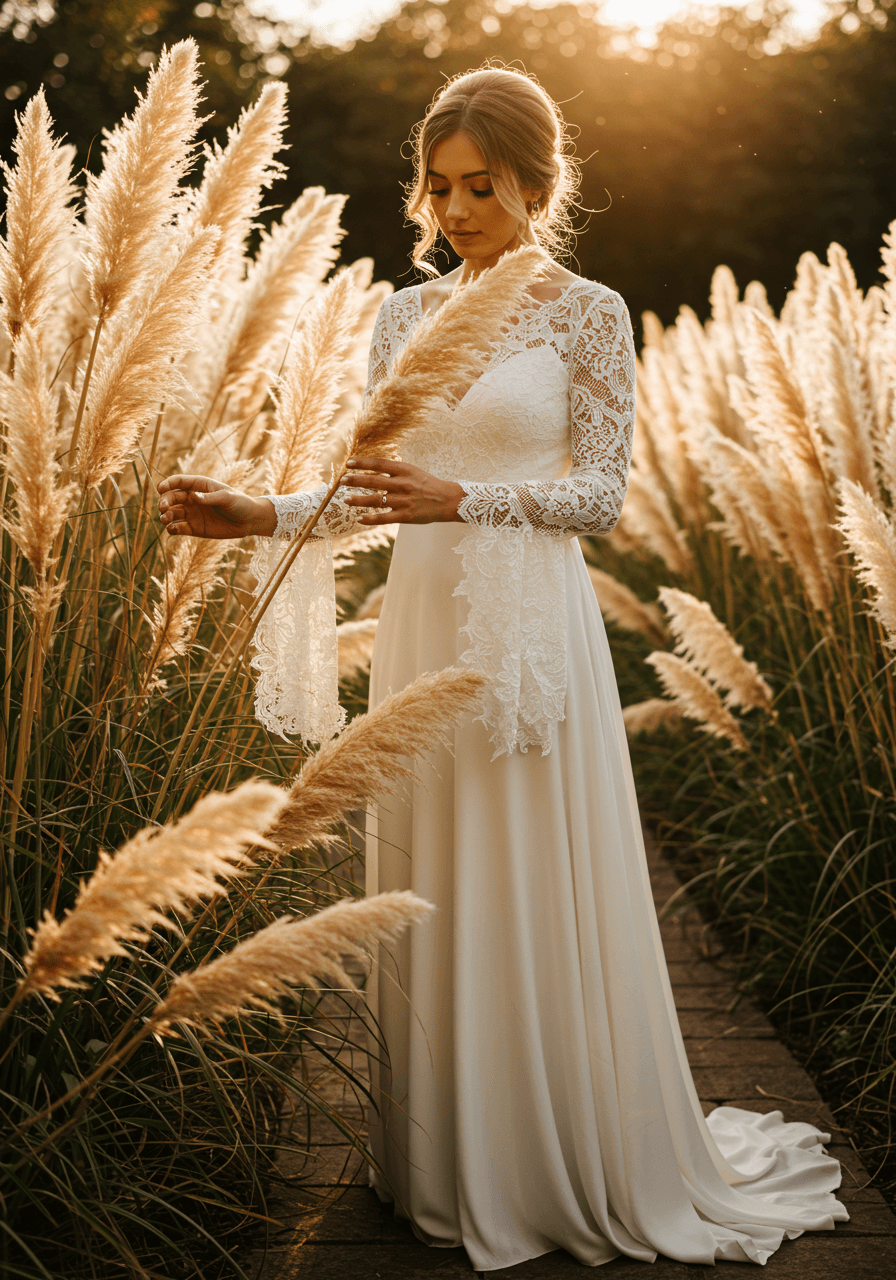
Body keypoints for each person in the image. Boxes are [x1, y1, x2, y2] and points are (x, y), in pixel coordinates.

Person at [158, 65, 846, 1273]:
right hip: (424, 621)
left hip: (531, 630)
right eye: (438, 186)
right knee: (436, 869)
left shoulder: (586, 309)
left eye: (482, 184)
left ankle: (551, 1154)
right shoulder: (400, 316)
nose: (456, 208)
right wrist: (257, 512)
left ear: (537, 181)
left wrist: (463, 495)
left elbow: (599, 496)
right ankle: (441, 1155)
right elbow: (374, 495)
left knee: (526, 863)